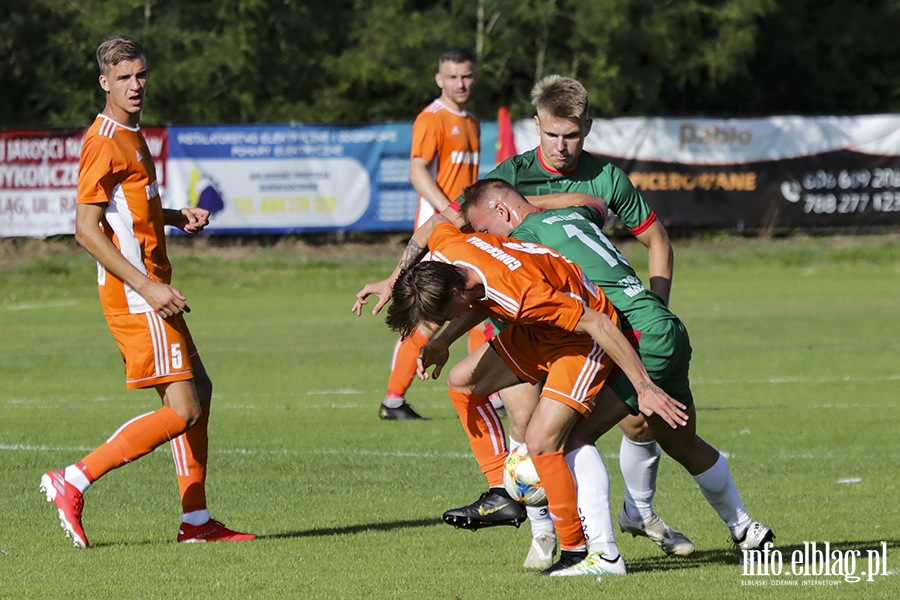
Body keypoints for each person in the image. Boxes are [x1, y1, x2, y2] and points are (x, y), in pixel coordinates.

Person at [354, 74, 684, 564]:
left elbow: (657, 240)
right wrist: (394, 277)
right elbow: (445, 226)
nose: (561, 145)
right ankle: (542, 530)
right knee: (531, 427)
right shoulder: (511, 177)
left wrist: (655, 306)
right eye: (552, 134)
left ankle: (633, 514)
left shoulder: (606, 178)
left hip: (583, 320)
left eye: (571, 135)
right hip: (520, 323)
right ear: (537, 127)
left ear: (586, 129)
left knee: (634, 427)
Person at [461, 178, 775, 573]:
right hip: (665, 326)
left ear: (504, 214)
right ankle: (746, 529)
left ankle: (602, 554)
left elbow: (508, 299)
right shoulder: (569, 216)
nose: (488, 241)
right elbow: (597, 203)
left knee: (567, 439)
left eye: (486, 230)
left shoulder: (524, 241)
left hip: (636, 336)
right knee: (680, 440)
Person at [38, 34, 254, 548]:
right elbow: (86, 229)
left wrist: (177, 216)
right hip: (138, 297)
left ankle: (196, 523)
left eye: (140, 75)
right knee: (183, 409)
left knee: (199, 391)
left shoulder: (133, 134)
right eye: (124, 78)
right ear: (104, 83)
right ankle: (73, 479)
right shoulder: (105, 139)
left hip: (155, 289)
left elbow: (129, 210)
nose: (136, 85)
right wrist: (148, 287)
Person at [385, 217, 690, 577]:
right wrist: (439, 340)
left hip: (581, 342)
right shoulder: (453, 252)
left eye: (444, 316)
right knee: (462, 383)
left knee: (542, 442)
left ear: (457, 293)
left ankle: (585, 555)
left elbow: (598, 324)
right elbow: (437, 225)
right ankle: (502, 492)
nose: (444, 321)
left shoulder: (521, 294)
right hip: (537, 332)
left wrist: (644, 387)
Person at [378, 46, 487, 420]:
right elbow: (417, 170)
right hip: (438, 233)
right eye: (453, 76)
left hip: (463, 231)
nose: (461, 83)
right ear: (439, 79)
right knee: (432, 314)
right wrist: (448, 211)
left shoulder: (472, 121)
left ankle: (494, 391)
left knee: (479, 298)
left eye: (466, 75)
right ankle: (393, 400)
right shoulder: (432, 118)